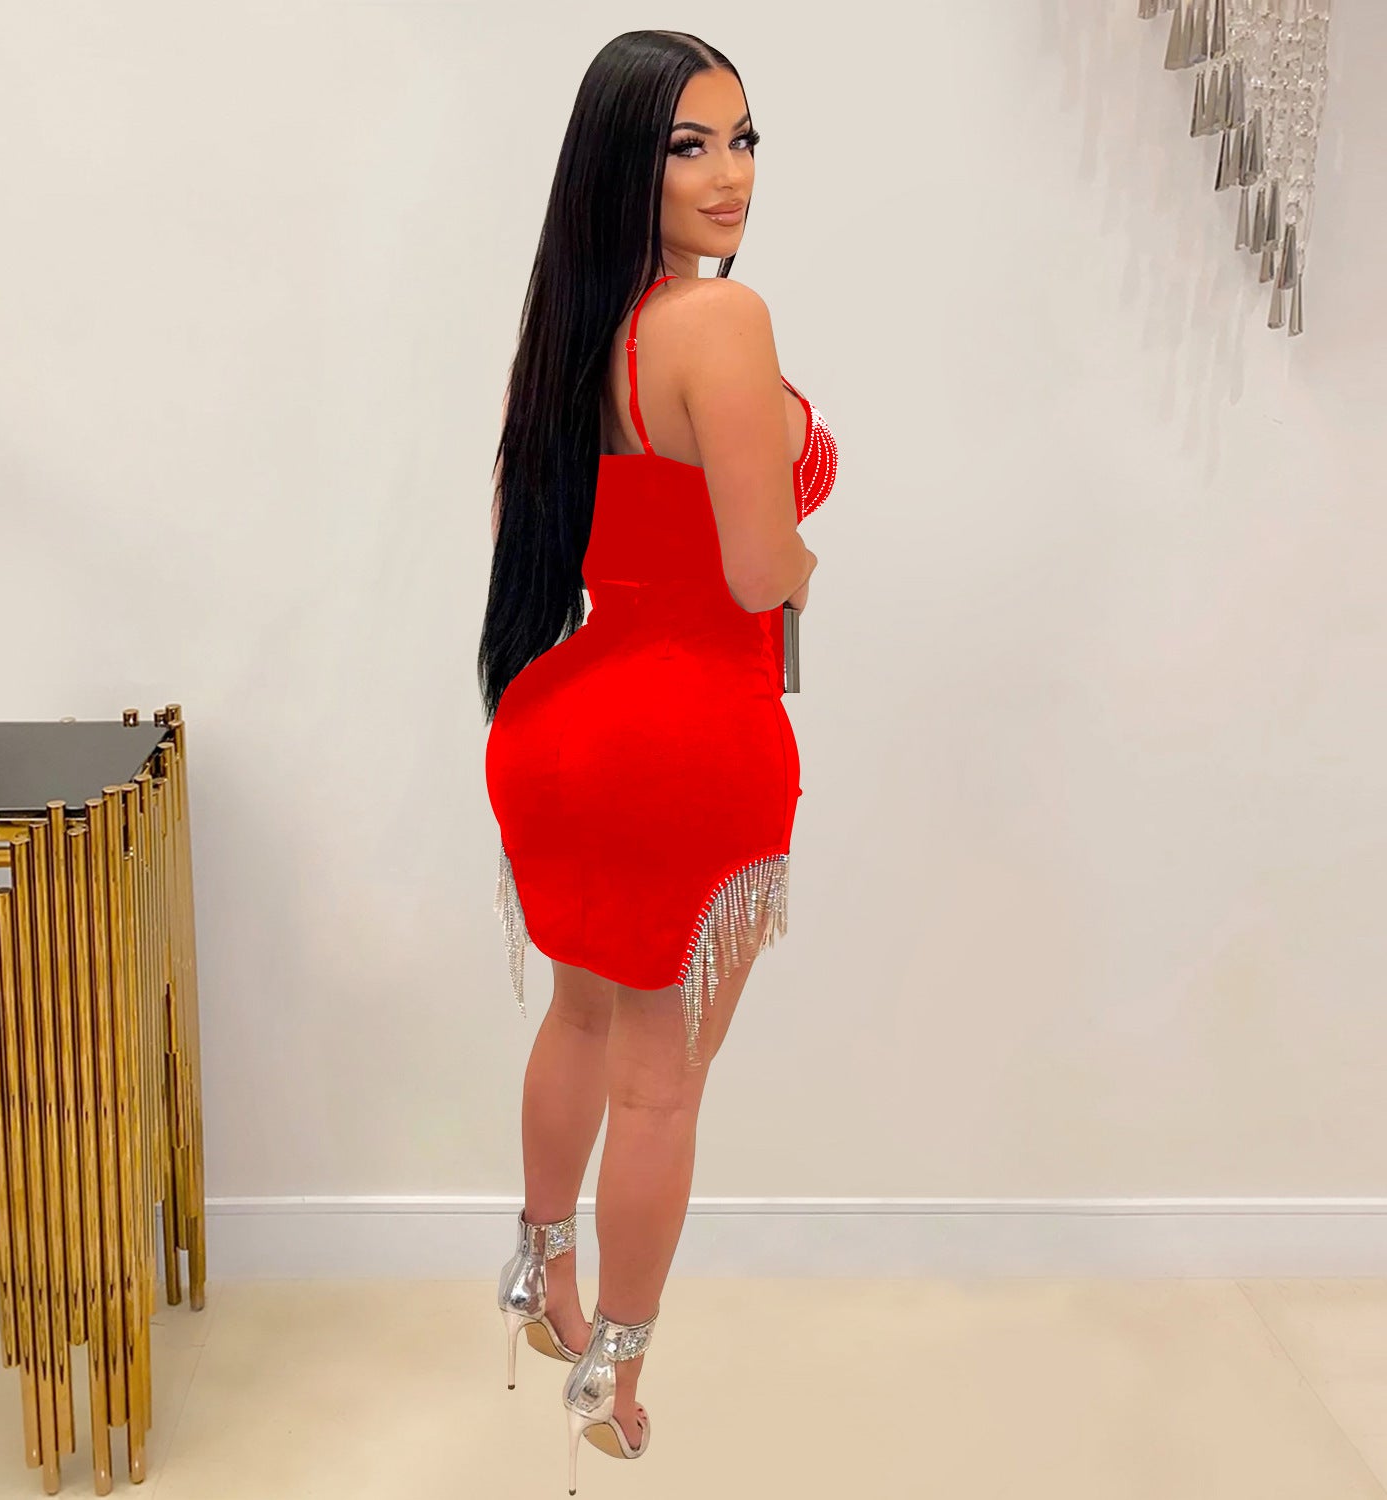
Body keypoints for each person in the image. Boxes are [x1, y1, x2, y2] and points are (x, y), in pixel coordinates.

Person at [477, 29, 838, 1493]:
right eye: (691, 144)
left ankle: (539, 1270)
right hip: (687, 736)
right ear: (623, 162)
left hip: (561, 722)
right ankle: (616, 1373)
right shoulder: (718, 321)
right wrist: (807, 564)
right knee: (662, 1086)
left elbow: (538, 536)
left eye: (744, 138)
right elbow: (756, 571)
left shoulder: (576, 331)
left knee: (581, 1020)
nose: (729, 173)